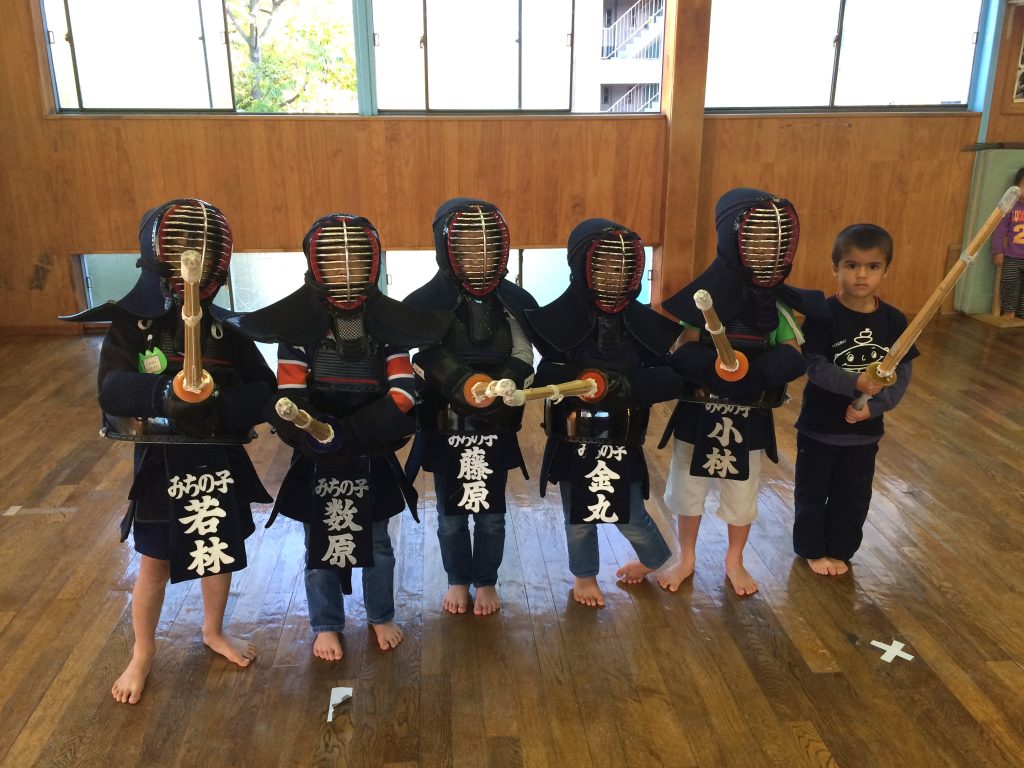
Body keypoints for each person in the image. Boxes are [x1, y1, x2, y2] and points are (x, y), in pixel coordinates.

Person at [63, 199, 275, 703]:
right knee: (154, 561)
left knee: (216, 550)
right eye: (182, 248)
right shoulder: (131, 325)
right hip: (160, 460)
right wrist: (164, 395)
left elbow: (264, 389)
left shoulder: (226, 330)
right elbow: (112, 389)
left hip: (218, 456)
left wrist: (219, 404)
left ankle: (213, 630)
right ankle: (142, 651)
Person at [229, 213, 449, 659]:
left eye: (356, 260)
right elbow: (290, 395)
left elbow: (403, 393)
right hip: (317, 453)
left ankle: (381, 614)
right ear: (318, 267)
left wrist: (353, 432)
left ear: (372, 265)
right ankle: (326, 623)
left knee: (378, 542)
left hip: (372, 449)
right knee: (318, 542)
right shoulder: (299, 334)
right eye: (335, 261)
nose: (346, 270)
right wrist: (317, 433)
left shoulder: (388, 330)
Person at [658, 188, 825, 597]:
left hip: (748, 415)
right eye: (755, 240)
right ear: (733, 240)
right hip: (700, 411)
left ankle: (735, 559)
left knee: (742, 491)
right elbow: (683, 348)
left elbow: (793, 353)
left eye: (774, 242)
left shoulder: (776, 306)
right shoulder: (705, 298)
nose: (765, 251)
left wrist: (757, 375)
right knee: (688, 487)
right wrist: (712, 371)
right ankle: (686, 555)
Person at [526, 219, 681, 608]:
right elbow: (547, 374)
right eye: (604, 266)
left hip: (622, 438)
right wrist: (581, 381)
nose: (613, 276)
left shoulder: (643, 325)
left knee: (631, 513)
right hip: (572, 437)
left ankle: (654, 558)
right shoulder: (559, 322)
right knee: (578, 517)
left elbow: (668, 378)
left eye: (621, 268)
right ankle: (584, 576)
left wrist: (618, 385)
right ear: (583, 266)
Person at [404, 198, 538, 616]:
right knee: (450, 513)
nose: (479, 256)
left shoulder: (512, 301)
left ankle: (487, 581)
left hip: (497, 420)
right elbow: (423, 352)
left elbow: (524, 349)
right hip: (446, 421)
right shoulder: (427, 301)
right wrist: (462, 382)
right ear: (449, 251)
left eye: (487, 247)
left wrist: (506, 380)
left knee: (491, 512)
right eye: (468, 248)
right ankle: (457, 580)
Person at [792, 223, 916, 575]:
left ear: (885, 270)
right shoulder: (822, 315)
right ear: (835, 267)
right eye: (852, 265)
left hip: (864, 433)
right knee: (811, 493)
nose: (862, 275)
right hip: (818, 428)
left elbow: (901, 374)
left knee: (853, 496)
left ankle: (840, 550)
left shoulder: (894, 321)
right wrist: (856, 382)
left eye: (872, 266)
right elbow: (814, 366)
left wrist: (873, 409)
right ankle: (812, 549)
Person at [990, 166, 1024, 319]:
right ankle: (1009, 310)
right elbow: (1000, 230)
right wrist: (997, 251)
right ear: (1016, 187)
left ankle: (1022, 313)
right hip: (1012, 256)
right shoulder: (1010, 207)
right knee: (1009, 282)